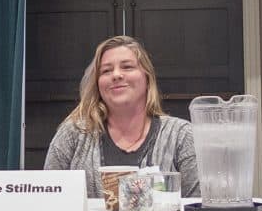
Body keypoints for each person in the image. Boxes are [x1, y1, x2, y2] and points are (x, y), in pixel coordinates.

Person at [44, 35, 200, 198]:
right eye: (106, 71)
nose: (116, 75)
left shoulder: (182, 136)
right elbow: (48, 199)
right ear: (98, 84)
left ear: (147, 78)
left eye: (127, 67)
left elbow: (199, 205)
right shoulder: (73, 133)